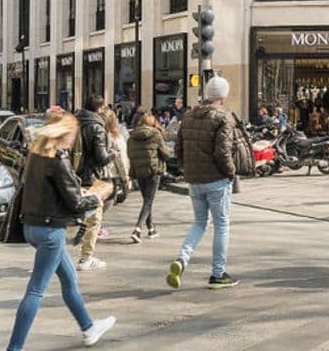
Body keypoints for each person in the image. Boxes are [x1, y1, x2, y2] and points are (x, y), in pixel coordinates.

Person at [7, 112, 116, 351]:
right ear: (65, 134)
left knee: (69, 279)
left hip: (31, 227)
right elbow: (76, 202)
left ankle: (88, 328)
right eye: (73, 134)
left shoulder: (36, 155)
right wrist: (97, 195)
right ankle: (14, 348)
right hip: (50, 231)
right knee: (36, 291)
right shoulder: (57, 159)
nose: (74, 139)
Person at [166, 75, 239, 290]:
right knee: (222, 225)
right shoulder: (223, 118)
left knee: (199, 222)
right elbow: (222, 151)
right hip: (217, 179)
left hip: (194, 180)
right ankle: (218, 274)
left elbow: (178, 148)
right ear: (223, 96)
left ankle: (182, 258)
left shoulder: (188, 116)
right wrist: (231, 172)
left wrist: (186, 168)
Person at [73, 96, 113, 271]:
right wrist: (113, 155)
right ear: (99, 109)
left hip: (73, 176)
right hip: (90, 179)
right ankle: (86, 258)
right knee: (95, 219)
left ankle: (55, 258)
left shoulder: (76, 122)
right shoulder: (96, 127)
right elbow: (102, 157)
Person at [127, 112, 170, 243]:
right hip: (153, 170)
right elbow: (165, 154)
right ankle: (137, 229)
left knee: (146, 200)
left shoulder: (132, 136)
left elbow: (130, 154)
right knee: (148, 201)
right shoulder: (155, 134)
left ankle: (151, 228)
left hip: (139, 170)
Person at [101, 109, 130, 234]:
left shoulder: (98, 134)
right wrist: (125, 177)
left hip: (95, 172)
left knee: (98, 200)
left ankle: (95, 224)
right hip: (109, 173)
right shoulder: (115, 137)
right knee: (109, 200)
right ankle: (95, 225)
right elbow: (121, 159)